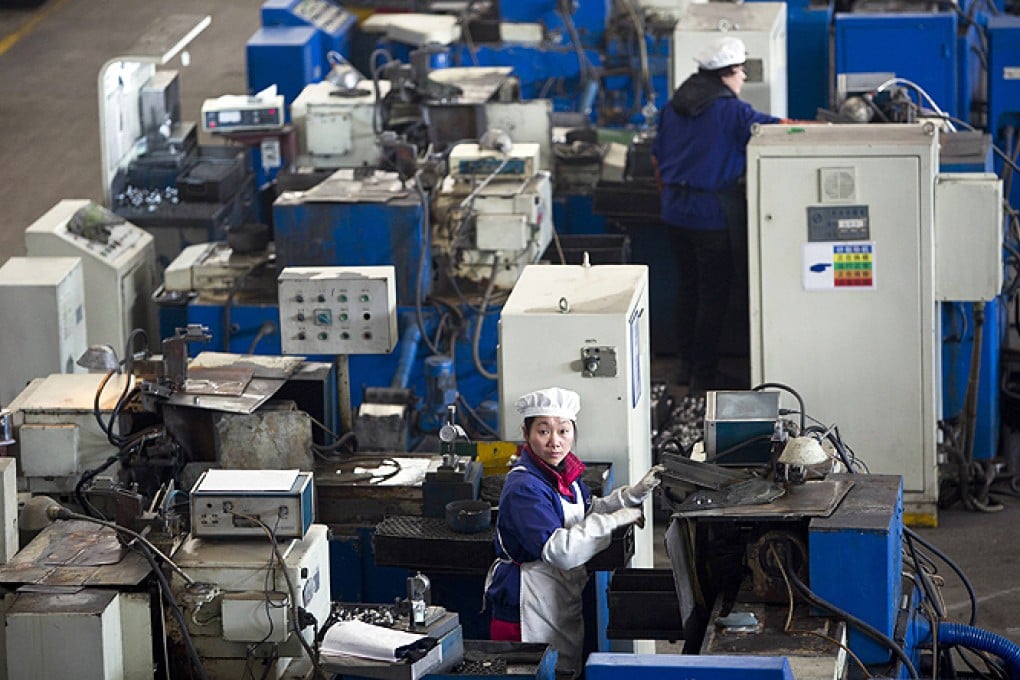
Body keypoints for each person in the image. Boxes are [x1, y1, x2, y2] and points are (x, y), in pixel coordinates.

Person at [484, 387, 664, 678]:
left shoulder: (563, 473)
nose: (555, 441)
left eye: (564, 431)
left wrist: (632, 495)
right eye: (543, 431)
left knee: (564, 670)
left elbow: (587, 512)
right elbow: (561, 551)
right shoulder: (525, 487)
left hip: (557, 595)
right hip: (526, 605)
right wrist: (614, 521)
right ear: (526, 433)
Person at [652, 36, 782, 392]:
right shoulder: (733, 112)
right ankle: (705, 378)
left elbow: (656, 158)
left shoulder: (673, 107)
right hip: (712, 217)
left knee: (687, 289)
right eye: (741, 73)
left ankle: (684, 368)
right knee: (713, 296)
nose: (742, 80)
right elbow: (780, 129)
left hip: (675, 214)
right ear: (729, 73)